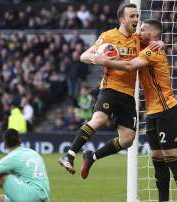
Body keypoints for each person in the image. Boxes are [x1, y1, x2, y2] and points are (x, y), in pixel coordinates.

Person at [58, 3, 163, 179]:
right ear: (122, 19)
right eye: (132, 16)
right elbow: (84, 56)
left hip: (128, 94)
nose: (136, 19)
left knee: (128, 139)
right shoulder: (108, 36)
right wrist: (97, 59)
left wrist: (160, 42)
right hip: (110, 89)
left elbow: (154, 40)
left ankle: (92, 157)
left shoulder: (138, 39)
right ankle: (69, 155)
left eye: (137, 16)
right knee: (99, 119)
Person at [93, 19, 177, 202]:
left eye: (143, 29)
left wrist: (103, 60)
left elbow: (130, 66)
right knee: (156, 157)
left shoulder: (152, 50)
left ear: (153, 34)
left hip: (167, 109)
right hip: (153, 112)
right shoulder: (146, 47)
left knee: (171, 157)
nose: (139, 31)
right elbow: (128, 50)